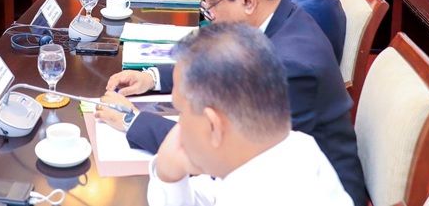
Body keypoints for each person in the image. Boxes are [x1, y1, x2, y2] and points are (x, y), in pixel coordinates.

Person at [99, 0, 366, 206]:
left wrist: (132, 120)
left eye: (211, 3)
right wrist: (153, 77)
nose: (209, 14)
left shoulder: (292, 66)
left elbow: (224, 146)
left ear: (247, 0)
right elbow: (224, 64)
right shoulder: (281, 18)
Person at [145, 22, 352, 206]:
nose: (180, 124)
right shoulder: (296, 148)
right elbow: (211, 195)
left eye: (181, 112)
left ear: (212, 126)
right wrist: (169, 176)